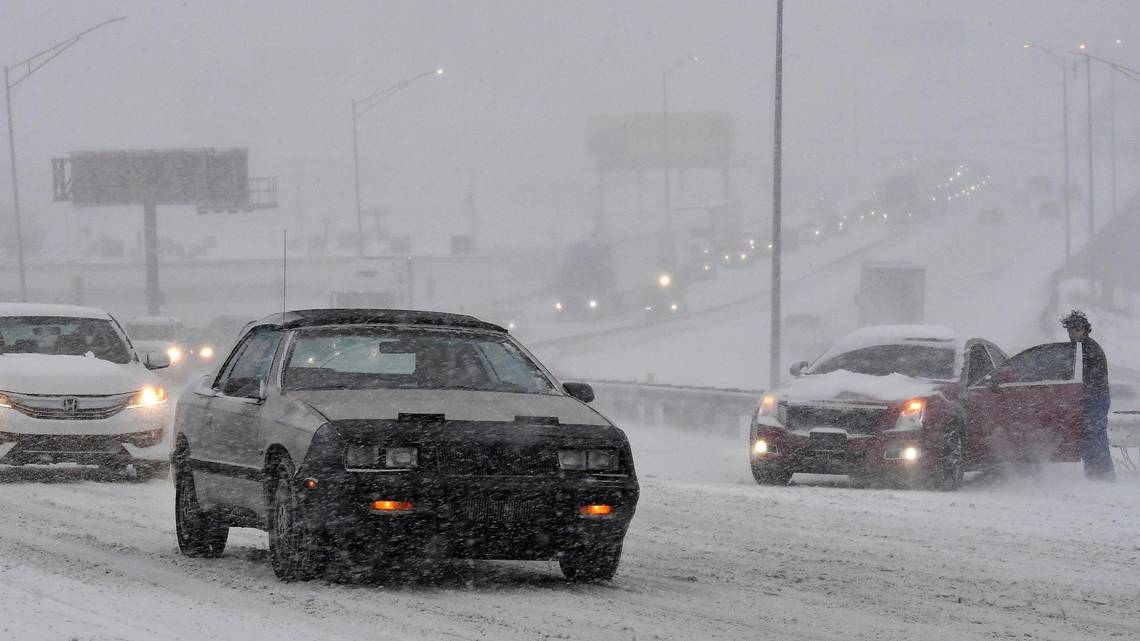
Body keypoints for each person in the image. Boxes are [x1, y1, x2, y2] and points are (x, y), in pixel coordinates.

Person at [1061, 310, 1116, 481]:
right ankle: (1094, 476)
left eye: (1076, 329)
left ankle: (1105, 477)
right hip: (1086, 398)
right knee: (1087, 437)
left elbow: (1092, 378)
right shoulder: (1077, 348)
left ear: (1085, 330)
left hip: (1096, 398)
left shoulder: (1090, 349)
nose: (1072, 333)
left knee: (1095, 437)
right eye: (1070, 330)